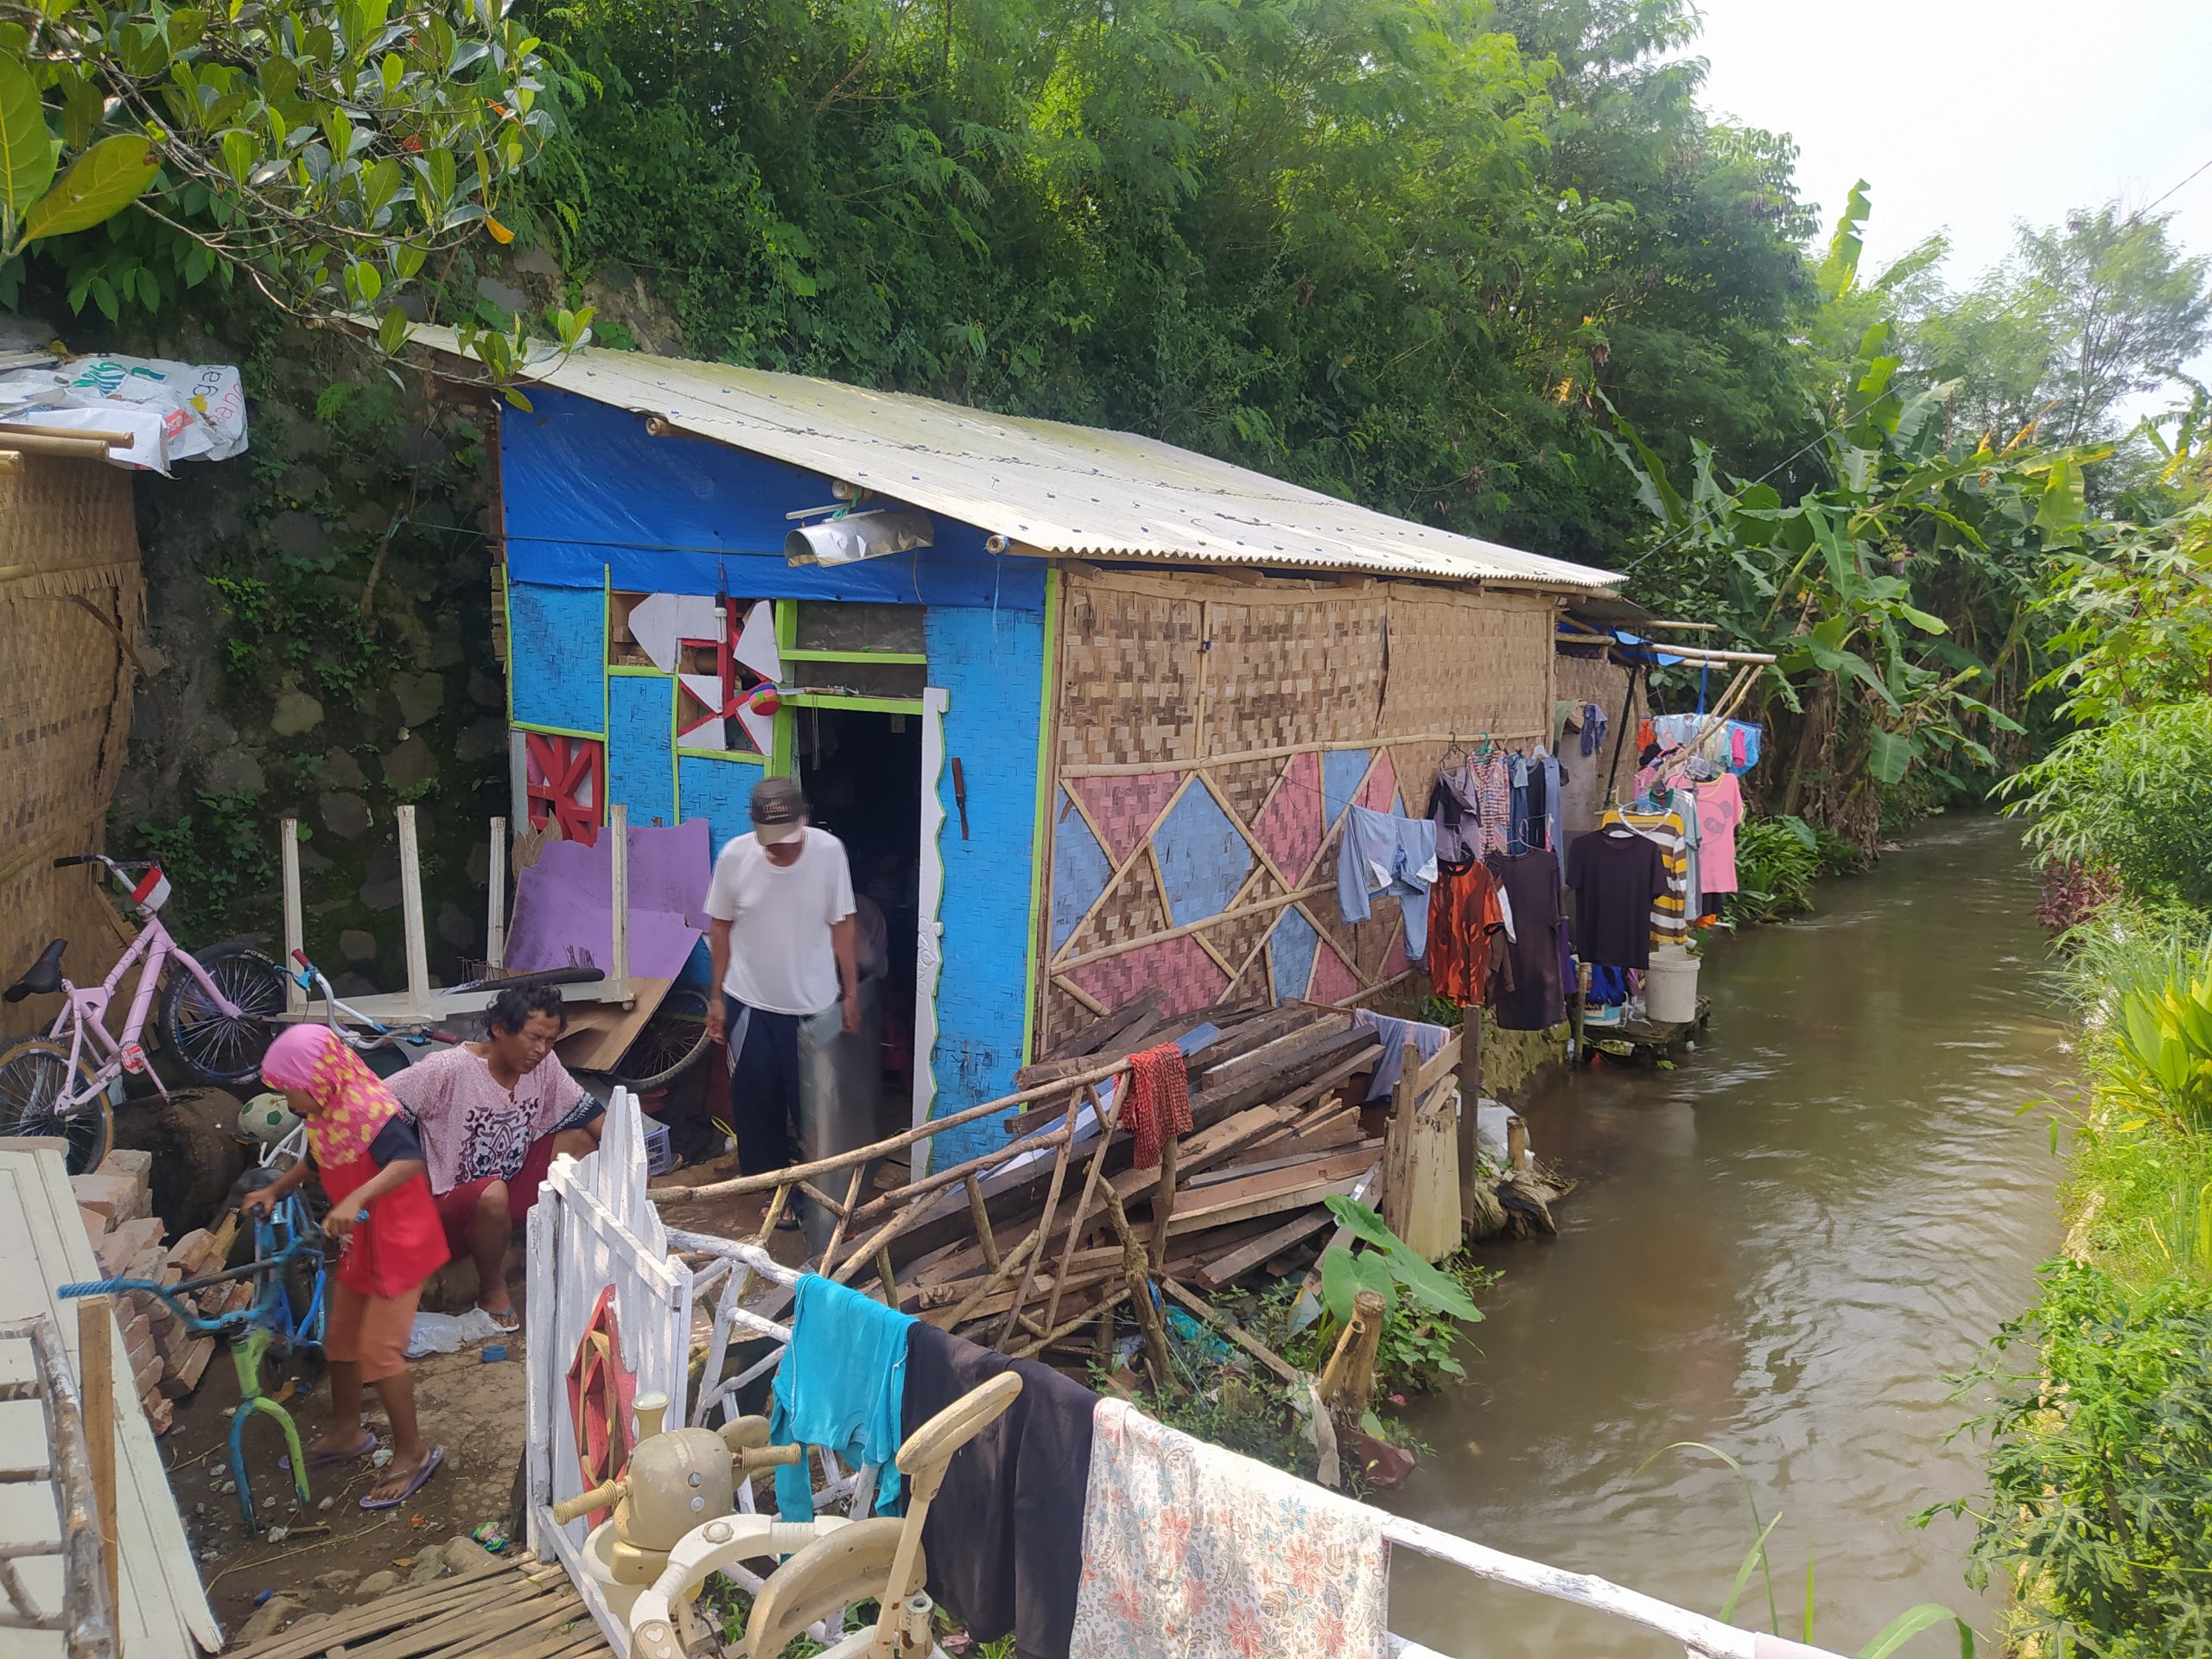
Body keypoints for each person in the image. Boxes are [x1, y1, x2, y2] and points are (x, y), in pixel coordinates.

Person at [242, 1025, 447, 1509]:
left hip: (400, 1241)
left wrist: (355, 1196)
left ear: (317, 1079)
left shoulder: (370, 1111)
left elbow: (409, 1162)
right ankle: (346, 1432)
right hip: (362, 1242)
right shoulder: (326, 1113)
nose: (286, 1100)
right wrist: (276, 1189)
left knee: (380, 1352)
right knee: (342, 1341)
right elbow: (316, 1160)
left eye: (289, 1089)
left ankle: (413, 1452)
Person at [386, 983, 605, 1329]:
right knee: (491, 1192)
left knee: (581, 1144)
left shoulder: (544, 1068)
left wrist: (630, 1163)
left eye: (550, 1041)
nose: (541, 1050)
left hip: (507, 1188)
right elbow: (377, 1110)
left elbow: (590, 1114)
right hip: (451, 1206)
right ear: (500, 1028)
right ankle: (491, 1289)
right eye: (533, 1038)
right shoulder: (447, 1069)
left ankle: (574, 1255)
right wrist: (409, 1173)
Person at [702, 777, 860, 1189]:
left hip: (814, 1009)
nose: (777, 848)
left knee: (816, 1110)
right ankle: (768, 1192)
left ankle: (820, 1196)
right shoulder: (735, 856)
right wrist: (716, 997)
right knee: (755, 1106)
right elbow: (720, 929)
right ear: (753, 824)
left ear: (803, 819)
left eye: (786, 837)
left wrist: (852, 993)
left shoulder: (829, 853)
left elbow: (843, 924)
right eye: (769, 838)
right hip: (749, 1006)